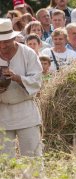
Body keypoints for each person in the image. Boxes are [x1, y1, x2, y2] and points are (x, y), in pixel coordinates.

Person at [0, 18, 43, 157]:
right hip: (2, 112)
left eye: (6, 41)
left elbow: (37, 80)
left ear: (13, 38)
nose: (2, 45)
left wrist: (18, 78)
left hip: (25, 111)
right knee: (4, 160)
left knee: (32, 157)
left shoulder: (28, 53)